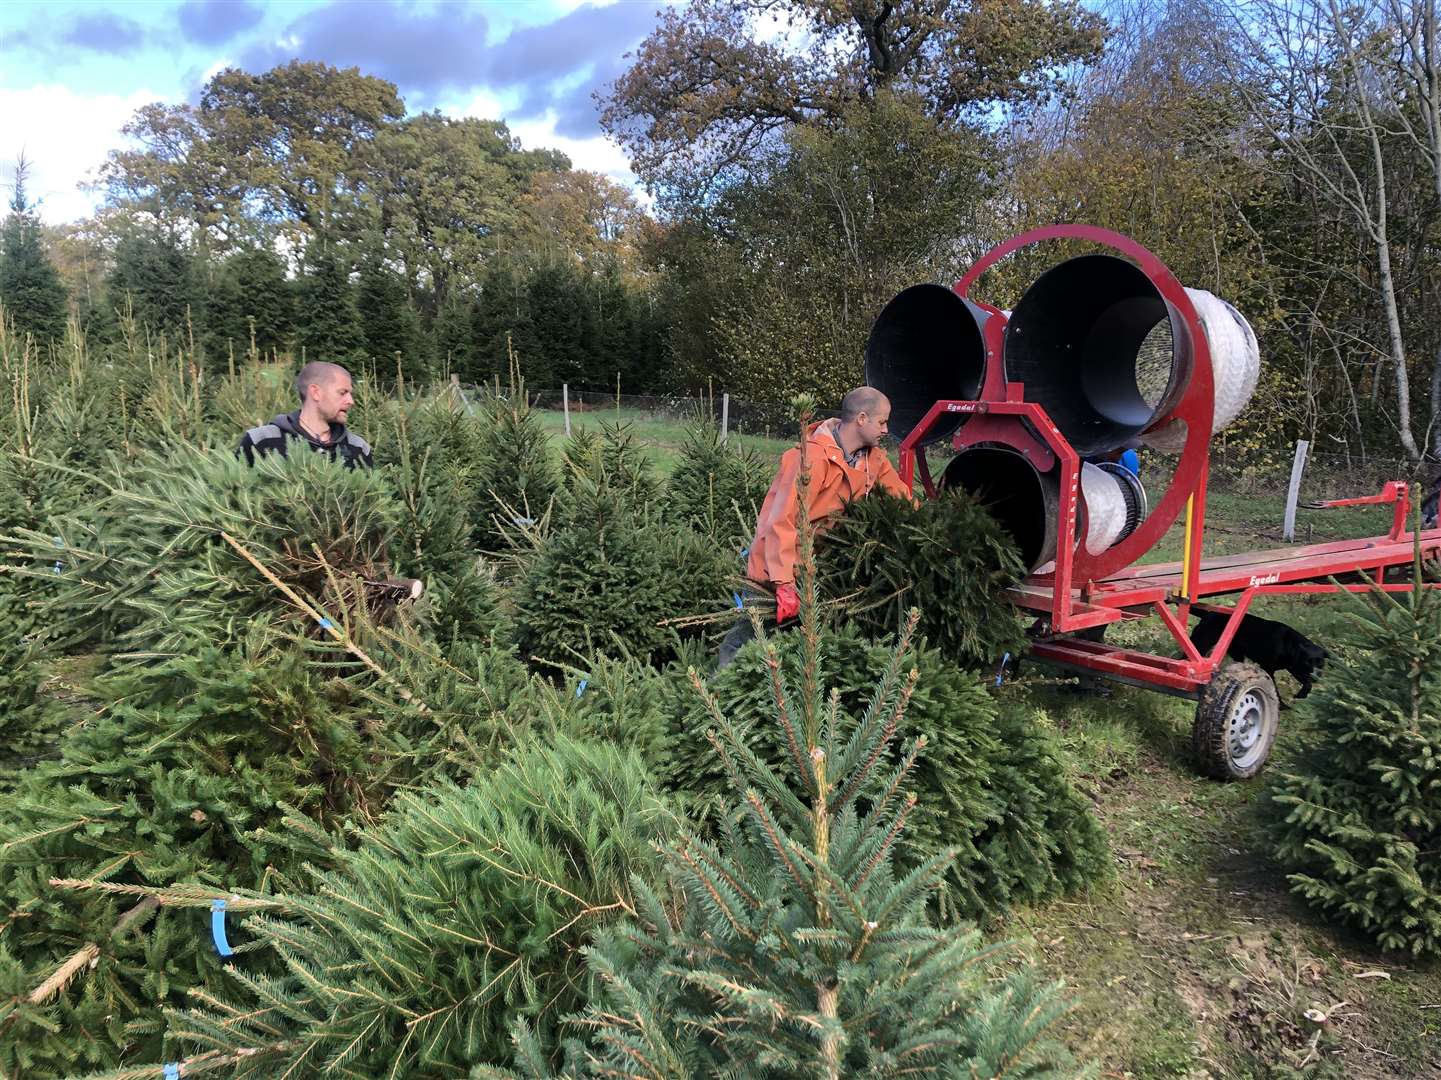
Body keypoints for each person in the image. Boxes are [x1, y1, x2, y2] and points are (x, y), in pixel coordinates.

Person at [718, 386, 912, 667]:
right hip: (777, 564)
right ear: (861, 419)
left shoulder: (873, 461)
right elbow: (780, 521)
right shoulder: (809, 459)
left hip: (818, 568)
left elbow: (902, 499)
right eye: (882, 422)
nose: (886, 429)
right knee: (748, 635)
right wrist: (783, 583)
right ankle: (719, 690)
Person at [237, 361, 373, 469]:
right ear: (315, 392)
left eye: (350, 394)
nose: (351, 401)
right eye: (342, 393)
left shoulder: (358, 448)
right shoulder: (261, 441)